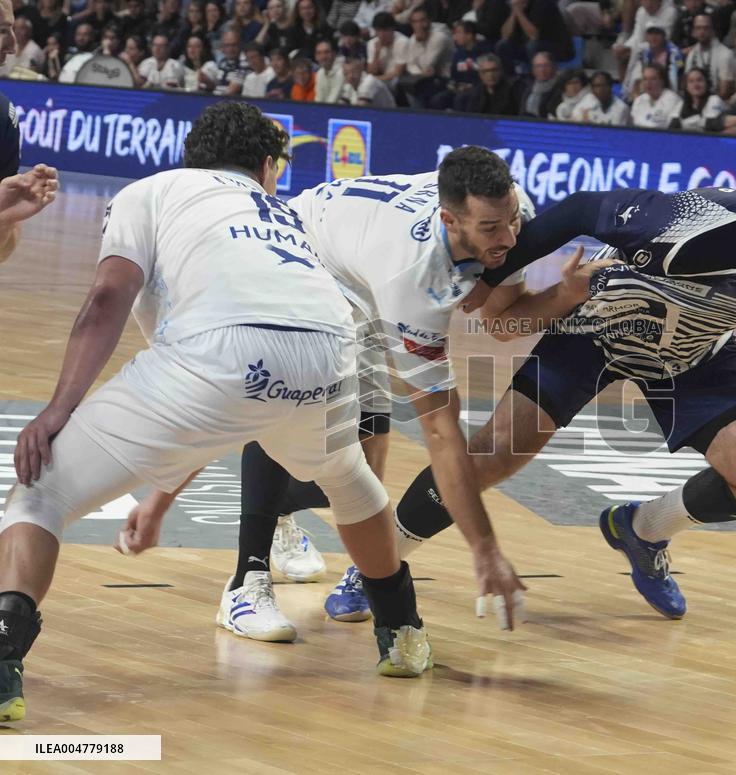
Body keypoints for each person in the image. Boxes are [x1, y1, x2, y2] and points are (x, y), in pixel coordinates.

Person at [0, 102, 431, 724]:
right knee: (351, 481)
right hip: (330, 353)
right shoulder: (285, 215)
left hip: (223, 355)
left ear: (191, 157)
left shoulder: (153, 191)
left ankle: (2, 657)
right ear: (267, 167)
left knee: (41, 492)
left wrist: (57, 409)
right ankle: (403, 631)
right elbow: (221, 408)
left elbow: (110, 299)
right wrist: (159, 502)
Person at [322, 149, 736, 623]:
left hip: (691, 354)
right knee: (490, 456)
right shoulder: (684, 219)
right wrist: (490, 275)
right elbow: (580, 209)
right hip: (595, 328)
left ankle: (643, 529)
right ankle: (377, 567)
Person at [130, 147, 617, 634]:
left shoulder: (510, 212)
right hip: (302, 256)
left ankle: (278, 510)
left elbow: (501, 322)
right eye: (492, 228)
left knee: (363, 462)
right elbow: (441, 432)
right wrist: (484, 549)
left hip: (358, 264)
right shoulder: (415, 279)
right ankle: (246, 581)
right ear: (449, 220)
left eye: (510, 221)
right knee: (289, 395)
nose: (510, 237)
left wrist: (562, 295)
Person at [0, 0, 58, 264]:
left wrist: (4, 217)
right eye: (2, 30)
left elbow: (3, 251)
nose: (12, 46)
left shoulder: (4, 115)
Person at [631, 63, 683, 128]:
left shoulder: (674, 100)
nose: (648, 83)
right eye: (645, 79)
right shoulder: (638, 100)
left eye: (653, 79)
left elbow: (673, 128)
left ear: (662, 81)